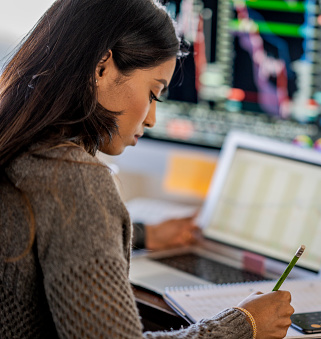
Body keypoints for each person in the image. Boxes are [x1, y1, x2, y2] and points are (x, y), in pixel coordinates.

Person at [0, 0, 294, 338]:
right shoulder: (74, 180)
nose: (152, 118)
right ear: (102, 68)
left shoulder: (17, 145)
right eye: (154, 93)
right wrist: (246, 324)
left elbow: (45, 228)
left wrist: (142, 234)